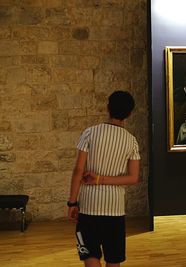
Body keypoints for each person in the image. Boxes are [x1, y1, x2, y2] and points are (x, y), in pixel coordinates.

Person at [67, 90, 140, 267]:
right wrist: (101, 179)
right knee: (113, 260)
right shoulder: (131, 141)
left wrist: (72, 203)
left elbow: (78, 170)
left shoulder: (90, 133)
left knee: (90, 255)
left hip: (88, 208)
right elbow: (133, 178)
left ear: (107, 107)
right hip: (115, 210)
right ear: (130, 113)